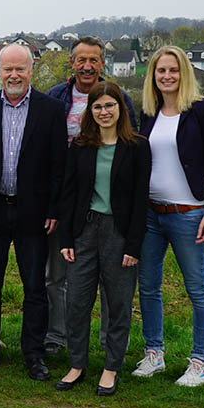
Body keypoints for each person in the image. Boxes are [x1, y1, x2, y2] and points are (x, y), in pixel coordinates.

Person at [0, 44, 67, 379]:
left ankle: (34, 354)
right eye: (8, 69)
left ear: (31, 70)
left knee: (34, 287)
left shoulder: (50, 110)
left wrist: (53, 208)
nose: (14, 75)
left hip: (33, 213)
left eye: (20, 69)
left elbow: (57, 165)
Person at [133, 45, 204, 387]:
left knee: (198, 289)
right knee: (148, 286)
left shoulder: (203, 110)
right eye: (161, 71)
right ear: (153, 76)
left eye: (173, 70)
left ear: (183, 72)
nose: (167, 76)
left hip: (189, 214)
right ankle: (154, 354)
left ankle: (200, 362)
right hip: (150, 215)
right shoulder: (149, 112)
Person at [55, 81, 150, 396]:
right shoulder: (81, 146)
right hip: (85, 231)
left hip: (119, 233)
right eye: (98, 106)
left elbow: (140, 200)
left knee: (119, 303)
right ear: (90, 111)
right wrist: (66, 238)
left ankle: (111, 367)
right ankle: (77, 364)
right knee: (77, 302)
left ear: (121, 108)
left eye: (110, 105)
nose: (104, 111)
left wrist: (134, 245)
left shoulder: (137, 146)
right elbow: (67, 195)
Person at [45, 35, 137, 356]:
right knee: (57, 275)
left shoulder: (118, 98)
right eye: (81, 60)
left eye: (93, 60)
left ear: (102, 63)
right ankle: (57, 337)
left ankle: (108, 343)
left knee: (111, 281)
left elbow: (131, 150)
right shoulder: (55, 98)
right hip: (63, 200)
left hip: (107, 204)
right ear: (72, 63)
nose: (87, 66)